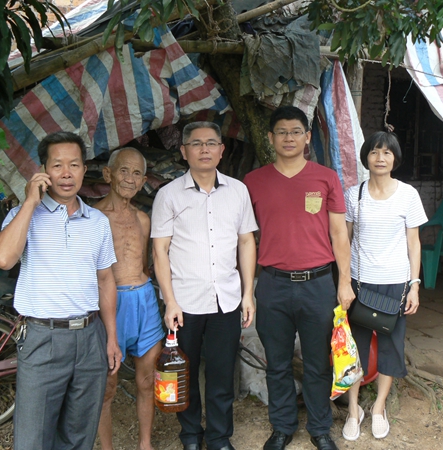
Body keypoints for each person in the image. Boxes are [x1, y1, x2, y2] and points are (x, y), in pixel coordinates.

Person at [0, 131, 121, 450]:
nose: (66, 173)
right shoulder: (22, 217)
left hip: (90, 337)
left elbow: (106, 280)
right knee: (33, 438)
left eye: (74, 165)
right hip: (42, 338)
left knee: (79, 435)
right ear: (44, 171)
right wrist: (30, 202)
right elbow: (3, 259)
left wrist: (111, 338)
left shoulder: (97, 222)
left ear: (84, 170)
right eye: (57, 165)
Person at [243, 106, 355, 450]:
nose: (288, 138)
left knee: (318, 363)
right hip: (272, 284)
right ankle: (282, 427)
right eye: (281, 132)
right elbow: (245, 238)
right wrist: (248, 290)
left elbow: (339, 233)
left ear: (307, 137)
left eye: (295, 131)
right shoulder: (253, 182)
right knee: (276, 363)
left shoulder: (326, 178)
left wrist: (344, 282)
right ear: (270, 138)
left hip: (318, 285)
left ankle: (320, 429)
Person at [151, 122, 258, 450]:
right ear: (184, 151)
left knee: (221, 373)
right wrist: (169, 301)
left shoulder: (238, 191)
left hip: (226, 299)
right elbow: (159, 250)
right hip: (184, 303)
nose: (204, 149)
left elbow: (246, 241)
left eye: (211, 143)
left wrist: (248, 294)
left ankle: (219, 437)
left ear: (221, 150)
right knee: (183, 372)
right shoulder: (168, 195)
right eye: (196, 144)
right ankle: (190, 436)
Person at [342, 131, 426, 442]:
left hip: (396, 285)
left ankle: (378, 408)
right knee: (355, 350)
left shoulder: (408, 195)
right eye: (375, 152)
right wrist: (343, 282)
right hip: (359, 284)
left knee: (391, 347)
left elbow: (414, 243)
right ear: (366, 157)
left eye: (387, 152)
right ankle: (353, 410)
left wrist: (414, 285)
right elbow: (344, 240)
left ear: (395, 159)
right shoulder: (354, 195)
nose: (380, 158)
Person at [94, 147, 165, 450]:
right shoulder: (94, 217)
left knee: (147, 380)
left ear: (143, 181)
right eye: (123, 170)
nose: (129, 178)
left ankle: (145, 444)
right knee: (107, 386)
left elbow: (146, 265)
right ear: (108, 174)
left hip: (144, 301)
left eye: (137, 173)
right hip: (111, 303)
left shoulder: (143, 219)